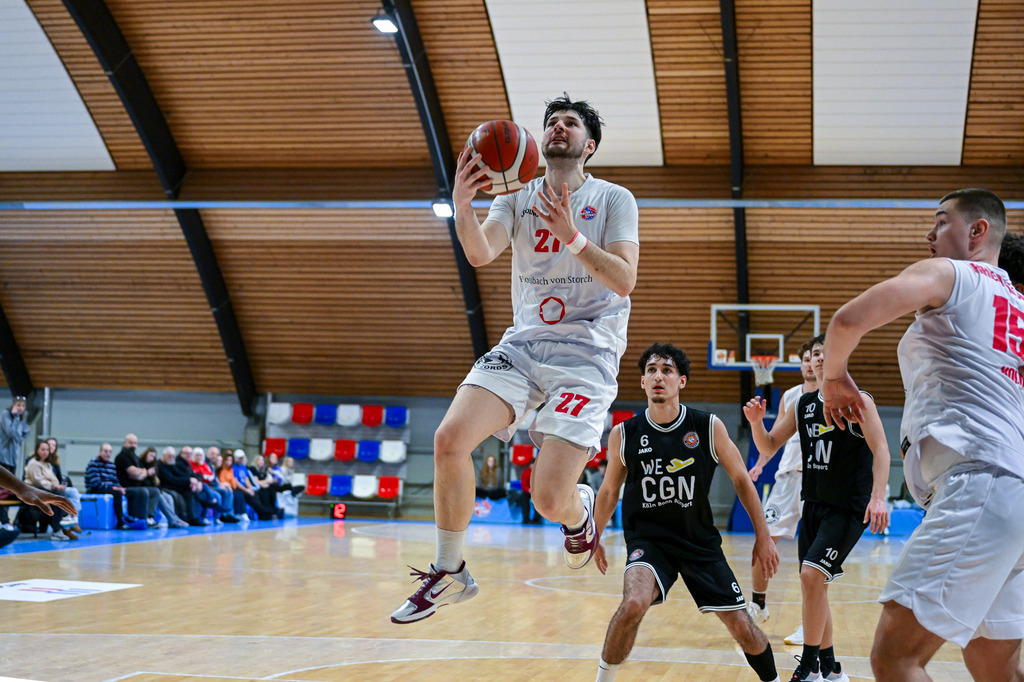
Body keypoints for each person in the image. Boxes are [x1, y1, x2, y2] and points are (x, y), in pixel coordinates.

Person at [391, 94, 640, 625]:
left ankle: (578, 512)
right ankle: (449, 569)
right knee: (448, 440)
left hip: (587, 355)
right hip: (523, 347)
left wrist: (571, 234)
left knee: (548, 499)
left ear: (588, 145)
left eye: (571, 123)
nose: (559, 127)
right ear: (538, 141)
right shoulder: (520, 197)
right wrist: (462, 203)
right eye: (552, 121)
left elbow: (624, 279)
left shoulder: (614, 198)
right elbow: (480, 252)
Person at [820, 189, 1024, 681]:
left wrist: (833, 377)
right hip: (1013, 494)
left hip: (979, 483)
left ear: (977, 231)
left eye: (940, 222)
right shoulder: (1017, 304)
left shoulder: (950, 274)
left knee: (895, 658)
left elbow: (847, 320)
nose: (929, 235)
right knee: (993, 663)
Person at [592, 343, 780, 682]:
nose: (658, 376)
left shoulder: (707, 426)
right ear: (642, 382)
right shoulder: (624, 434)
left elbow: (742, 479)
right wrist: (594, 535)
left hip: (698, 542)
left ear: (682, 381)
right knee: (633, 603)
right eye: (651, 370)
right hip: (649, 541)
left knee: (742, 626)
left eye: (667, 370)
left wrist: (763, 536)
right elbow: (608, 492)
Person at [745, 334, 890, 681]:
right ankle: (832, 669)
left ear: (842, 356)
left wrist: (879, 496)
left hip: (848, 506)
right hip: (813, 505)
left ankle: (808, 665)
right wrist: (755, 422)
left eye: (827, 352)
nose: (820, 358)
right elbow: (768, 443)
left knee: (811, 576)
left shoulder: (859, 401)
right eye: (815, 354)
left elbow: (881, 449)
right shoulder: (803, 405)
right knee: (814, 585)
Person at [745, 340, 818, 648]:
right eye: (804, 359)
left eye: (814, 358)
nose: (809, 364)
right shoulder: (791, 396)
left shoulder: (836, 394)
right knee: (764, 540)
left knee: (812, 557)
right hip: (787, 479)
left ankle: (809, 625)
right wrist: (761, 464)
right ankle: (758, 605)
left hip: (818, 481)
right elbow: (774, 439)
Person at [23, 441, 77, 540]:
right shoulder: (33, 463)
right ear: (37, 450)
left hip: (46, 490)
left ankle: (67, 520)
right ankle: (62, 522)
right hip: (33, 491)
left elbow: (54, 478)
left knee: (65, 493)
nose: (45, 452)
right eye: (42, 449)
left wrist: (57, 485)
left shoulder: (47, 464)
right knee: (58, 496)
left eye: (47, 450)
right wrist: (53, 486)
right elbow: (37, 481)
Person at [84, 443, 136, 529]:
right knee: (117, 493)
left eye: (110, 452)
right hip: (95, 489)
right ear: (100, 451)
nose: (108, 454)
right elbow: (95, 483)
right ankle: (120, 522)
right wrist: (114, 488)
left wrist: (120, 487)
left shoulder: (111, 465)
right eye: (105, 451)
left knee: (131, 492)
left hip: (110, 488)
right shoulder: (93, 464)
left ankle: (131, 517)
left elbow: (115, 481)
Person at [114, 433, 160, 524]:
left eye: (135, 443)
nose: (133, 445)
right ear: (125, 443)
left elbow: (139, 475)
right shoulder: (121, 457)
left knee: (155, 491)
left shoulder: (135, 457)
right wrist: (144, 472)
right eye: (130, 442)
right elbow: (134, 473)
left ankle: (149, 517)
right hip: (126, 487)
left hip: (136, 485)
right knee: (143, 491)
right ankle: (140, 519)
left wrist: (140, 473)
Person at [0, 396, 30, 530]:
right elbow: (11, 433)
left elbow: (24, 433)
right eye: (18, 405)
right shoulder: (6, 415)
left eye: (23, 406)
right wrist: (16, 418)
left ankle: (5, 520)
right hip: (3, 457)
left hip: (13, 458)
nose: (20, 408)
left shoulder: (21, 419)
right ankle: (3, 520)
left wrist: (19, 421)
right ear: (13, 405)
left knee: (8, 490)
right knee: (1, 490)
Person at [45, 437, 82, 531]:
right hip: (47, 488)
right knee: (62, 495)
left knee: (73, 491)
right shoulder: (40, 461)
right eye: (49, 444)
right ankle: (65, 519)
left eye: (54, 445)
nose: (51, 447)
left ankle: (74, 518)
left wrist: (60, 485)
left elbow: (59, 478)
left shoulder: (55, 461)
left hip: (56, 486)